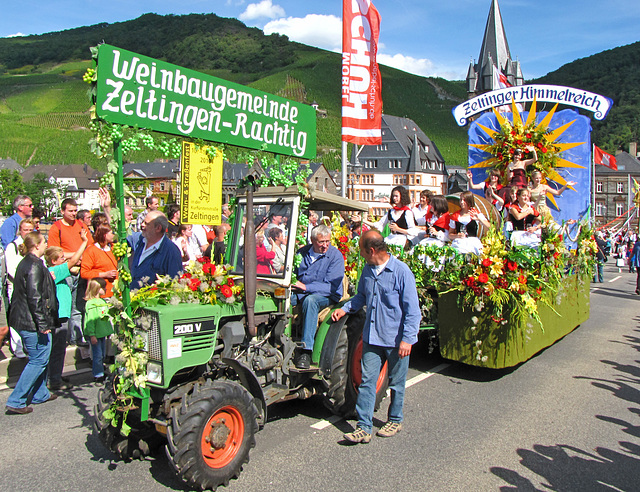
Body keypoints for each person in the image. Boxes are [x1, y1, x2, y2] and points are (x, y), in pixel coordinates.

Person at [332, 229, 420, 443]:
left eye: (362, 251)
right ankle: (364, 427)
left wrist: (408, 339)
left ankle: (395, 420)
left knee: (397, 384)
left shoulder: (401, 272)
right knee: (367, 382)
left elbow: (412, 310)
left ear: (371, 250)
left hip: (396, 340)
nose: (361, 254)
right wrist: (345, 309)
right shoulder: (368, 271)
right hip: (372, 338)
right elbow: (361, 297)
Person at [5, 232, 59, 415]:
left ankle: (40, 393)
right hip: (31, 322)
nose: (46, 245)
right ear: (36, 245)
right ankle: (16, 399)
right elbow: (34, 297)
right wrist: (42, 324)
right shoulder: (34, 265)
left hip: (26, 320)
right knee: (39, 359)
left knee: (41, 358)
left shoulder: (27, 262)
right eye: (44, 242)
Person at [293, 224, 345, 369]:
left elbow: (331, 286)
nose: (325, 245)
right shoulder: (302, 253)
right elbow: (293, 273)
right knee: (281, 298)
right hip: (301, 292)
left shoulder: (335, 256)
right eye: (321, 242)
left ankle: (306, 350)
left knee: (311, 301)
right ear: (312, 240)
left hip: (326, 294)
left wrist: (306, 287)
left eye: (327, 241)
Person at [44, 228, 88, 390]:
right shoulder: (56, 270)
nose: (65, 259)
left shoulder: (54, 269)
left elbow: (73, 261)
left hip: (61, 314)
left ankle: (55, 374)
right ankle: (54, 380)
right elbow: (73, 260)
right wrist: (84, 242)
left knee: (58, 348)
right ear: (54, 261)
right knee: (57, 349)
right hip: (60, 315)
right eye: (61, 258)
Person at [48, 198, 94, 349]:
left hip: (80, 270)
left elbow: (90, 244)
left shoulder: (80, 225)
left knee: (78, 306)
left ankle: (77, 336)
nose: (74, 213)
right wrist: (75, 255)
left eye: (75, 210)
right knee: (65, 305)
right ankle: (64, 337)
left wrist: (82, 257)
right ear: (62, 211)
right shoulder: (56, 228)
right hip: (66, 271)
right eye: (70, 211)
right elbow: (54, 251)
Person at [5, 218, 35, 358]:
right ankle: (17, 347)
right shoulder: (12, 246)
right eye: (25, 230)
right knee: (18, 316)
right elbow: (11, 269)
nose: (28, 232)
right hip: (16, 286)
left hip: (32, 286)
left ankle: (29, 346)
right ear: (20, 231)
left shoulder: (33, 246)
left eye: (31, 230)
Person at [129, 211, 182, 288]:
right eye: (143, 221)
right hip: (132, 296)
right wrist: (107, 209)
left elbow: (174, 283)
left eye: (146, 223)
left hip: (149, 298)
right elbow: (122, 233)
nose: (142, 225)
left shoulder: (171, 251)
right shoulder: (140, 240)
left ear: (158, 228)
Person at [83, 278, 114, 384]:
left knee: (102, 354)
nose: (105, 289)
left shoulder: (101, 301)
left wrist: (109, 331)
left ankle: (100, 370)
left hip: (101, 333)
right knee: (98, 355)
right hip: (95, 334)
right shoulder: (91, 304)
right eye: (103, 287)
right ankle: (98, 375)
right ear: (97, 289)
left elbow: (105, 319)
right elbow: (91, 321)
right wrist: (92, 335)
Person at [81, 223, 118, 298]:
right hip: (101, 294)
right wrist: (104, 274)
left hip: (116, 293)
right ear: (104, 234)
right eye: (112, 233)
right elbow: (84, 273)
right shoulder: (91, 250)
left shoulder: (114, 248)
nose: (115, 235)